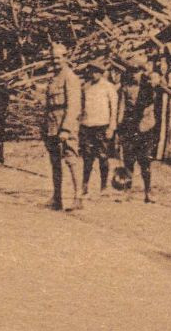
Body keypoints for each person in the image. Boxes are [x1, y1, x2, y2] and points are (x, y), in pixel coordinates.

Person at [40, 44, 83, 211]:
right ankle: (57, 198)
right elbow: (48, 104)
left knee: (71, 159)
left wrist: (66, 128)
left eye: (58, 58)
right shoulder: (54, 77)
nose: (55, 61)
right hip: (51, 123)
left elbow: (74, 106)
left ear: (65, 57)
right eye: (53, 58)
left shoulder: (70, 77)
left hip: (65, 123)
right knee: (55, 162)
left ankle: (78, 197)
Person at [117, 53, 160, 203]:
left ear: (142, 71)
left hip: (145, 127)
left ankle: (148, 192)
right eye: (131, 72)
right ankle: (126, 192)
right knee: (128, 161)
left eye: (136, 71)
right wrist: (118, 126)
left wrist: (152, 78)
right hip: (129, 127)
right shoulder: (126, 87)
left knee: (145, 162)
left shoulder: (149, 84)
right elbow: (121, 106)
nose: (133, 75)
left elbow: (158, 82)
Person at [80, 61, 116, 196]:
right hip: (87, 125)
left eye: (96, 72)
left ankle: (104, 186)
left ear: (101, 73)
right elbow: (82, 106)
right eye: (91, 72)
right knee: (87, 157)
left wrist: (111, 128)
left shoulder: (108, 87)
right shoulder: (86, 86)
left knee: (103, 156)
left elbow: (114, 108)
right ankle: (85, 185)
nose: (93, 74)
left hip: (102, 126)